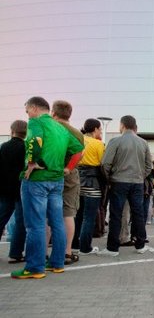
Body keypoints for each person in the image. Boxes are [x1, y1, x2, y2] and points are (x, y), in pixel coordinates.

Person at [12, 97, 84, 279]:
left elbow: (34, 141)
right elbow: (78, 150)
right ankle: (57, 263)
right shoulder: (60, 127)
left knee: (35, 225)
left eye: (27, 110)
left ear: (34, 108)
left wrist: (31, 163)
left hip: (37, 179)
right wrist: (68, 168)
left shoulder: (36, 122)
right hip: (57, 179)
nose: (27, 114)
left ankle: (35, 267)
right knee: (57, 222)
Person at [98, 115, 152, 256]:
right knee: (138, 213)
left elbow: (105, 163)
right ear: (135, 126)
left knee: (116, 214)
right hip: (137, 183)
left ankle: (112, 248)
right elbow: (148, 166)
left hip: (119, 181)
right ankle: (140, 245)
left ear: (122, 125)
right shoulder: (143, 143)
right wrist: (140, 176)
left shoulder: (115, 141)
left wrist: (109, 179)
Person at [51, 100, 84, 265]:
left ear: (53, 113)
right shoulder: (77, 133)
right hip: (70, 174)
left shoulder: (50, 128)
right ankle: (67, 252)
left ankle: (42, 253)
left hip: (49, 173)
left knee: (46, 213)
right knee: (68, 213)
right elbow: (79, 154)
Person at [74, 118, 105, 256]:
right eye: (100, 129)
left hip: (76, 180)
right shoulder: (98, 144)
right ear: (95, 129)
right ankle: (85, 247)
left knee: (77, 215)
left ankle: (74, 243)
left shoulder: (77, 140)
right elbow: (103, 164)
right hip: (92, 181)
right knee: (90, 216)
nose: (101, 132)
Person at [0, 120, 27, 264]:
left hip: (4, 189)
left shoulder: (4, 147)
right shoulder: (25, 148)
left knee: (1, 218)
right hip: (20, 188)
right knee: (20, 221)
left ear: (12, 130)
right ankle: (15, 254)